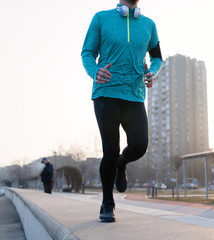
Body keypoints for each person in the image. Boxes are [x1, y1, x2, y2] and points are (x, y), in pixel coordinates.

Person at [81, 0, 163, 222]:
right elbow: (87, 52)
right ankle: (107, 204)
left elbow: (157, 57)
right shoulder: (101, 18)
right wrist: (95, 71)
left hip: (134, 95)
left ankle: (122, 163)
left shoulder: (148, 24)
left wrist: (152, 71)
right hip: (105, 94)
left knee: (140, 145)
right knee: (110, 149)